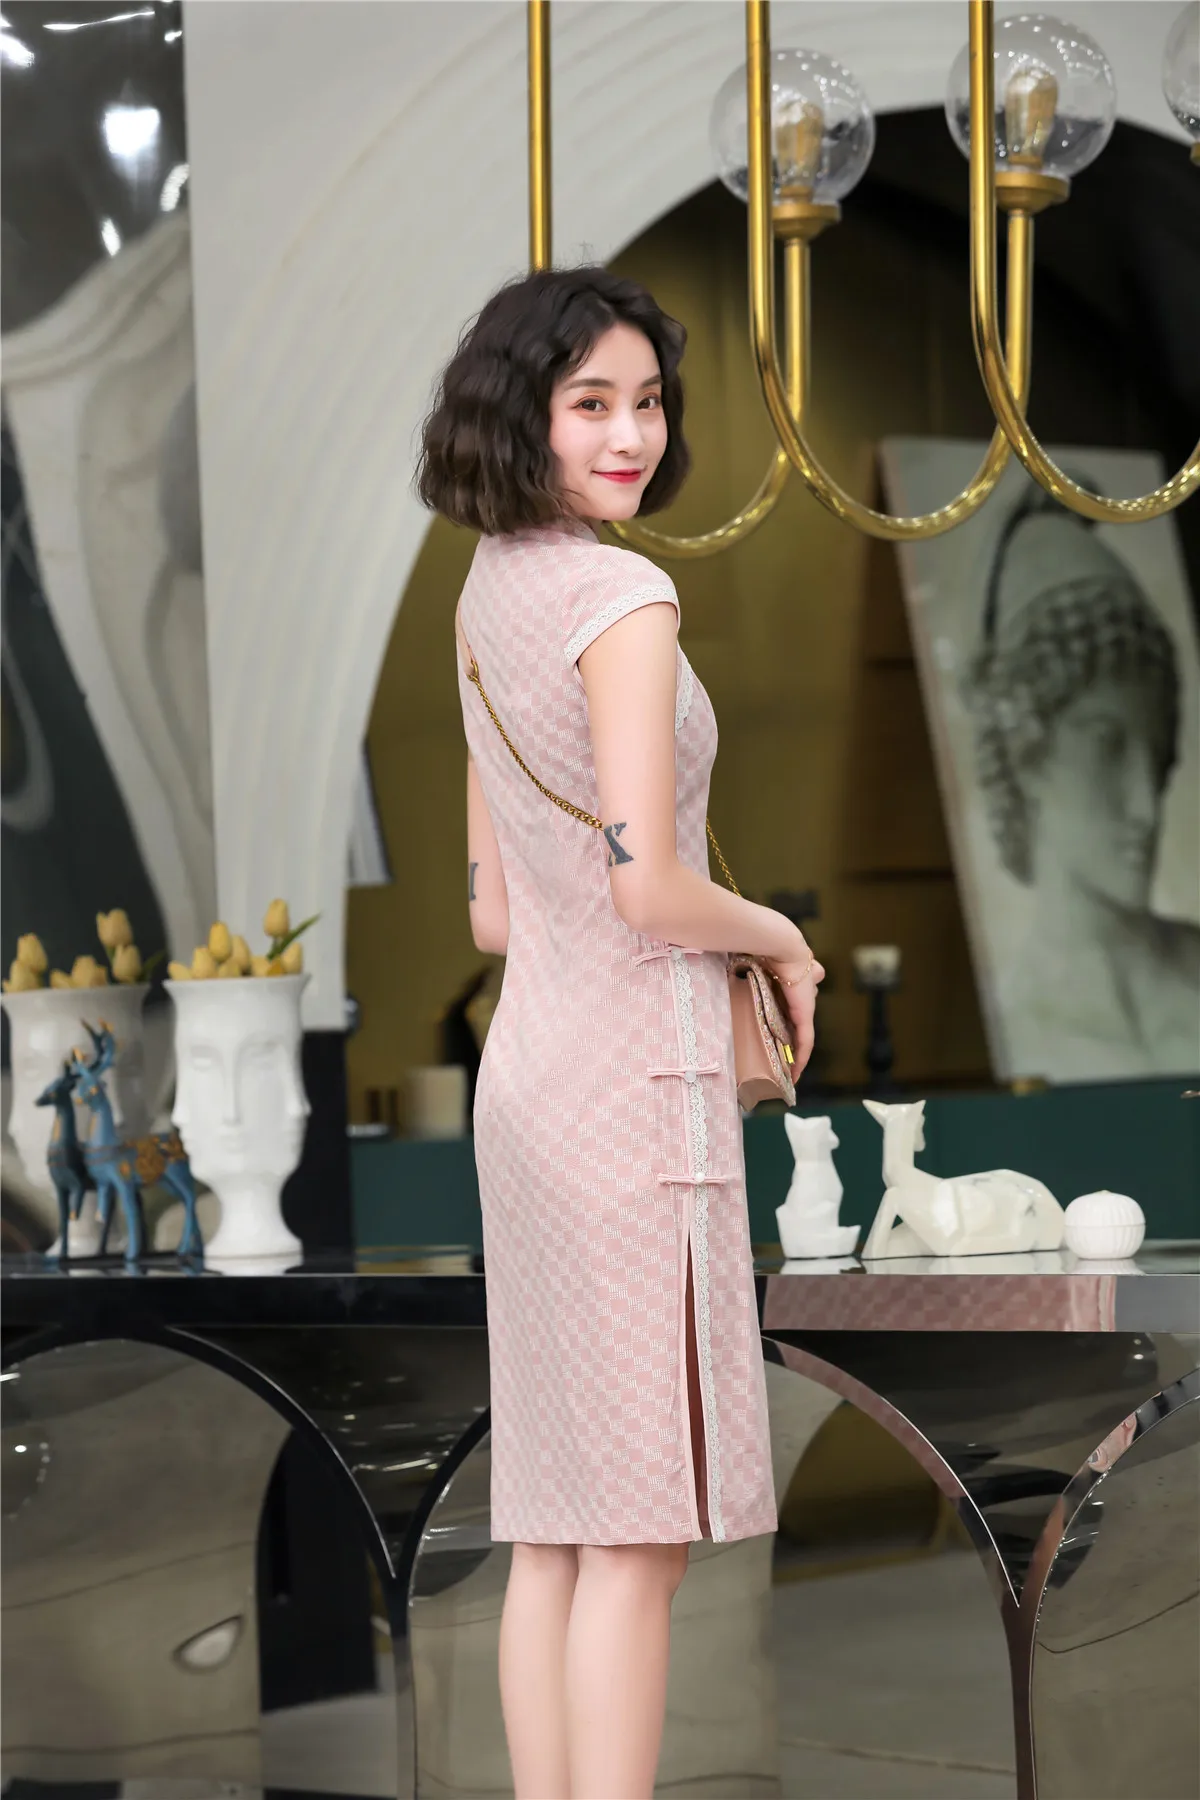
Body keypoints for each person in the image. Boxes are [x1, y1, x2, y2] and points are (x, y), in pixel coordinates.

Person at [417, 266, 823, 1800]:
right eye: (591, 402)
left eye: (647, 401)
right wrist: (779, 935)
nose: (631, 435)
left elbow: (495, 916)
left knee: (555, 1532)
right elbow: (648, 889)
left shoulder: (483, 596)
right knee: (637, 1543)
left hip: (530, 1085)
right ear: (521, 413)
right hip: (637, 1102)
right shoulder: (621, 601)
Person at [967, 484, 1199, 1080]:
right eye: (1106, 746)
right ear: (1028, 755)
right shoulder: (1023, 1021)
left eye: (1156, 752)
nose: (1146, 807)